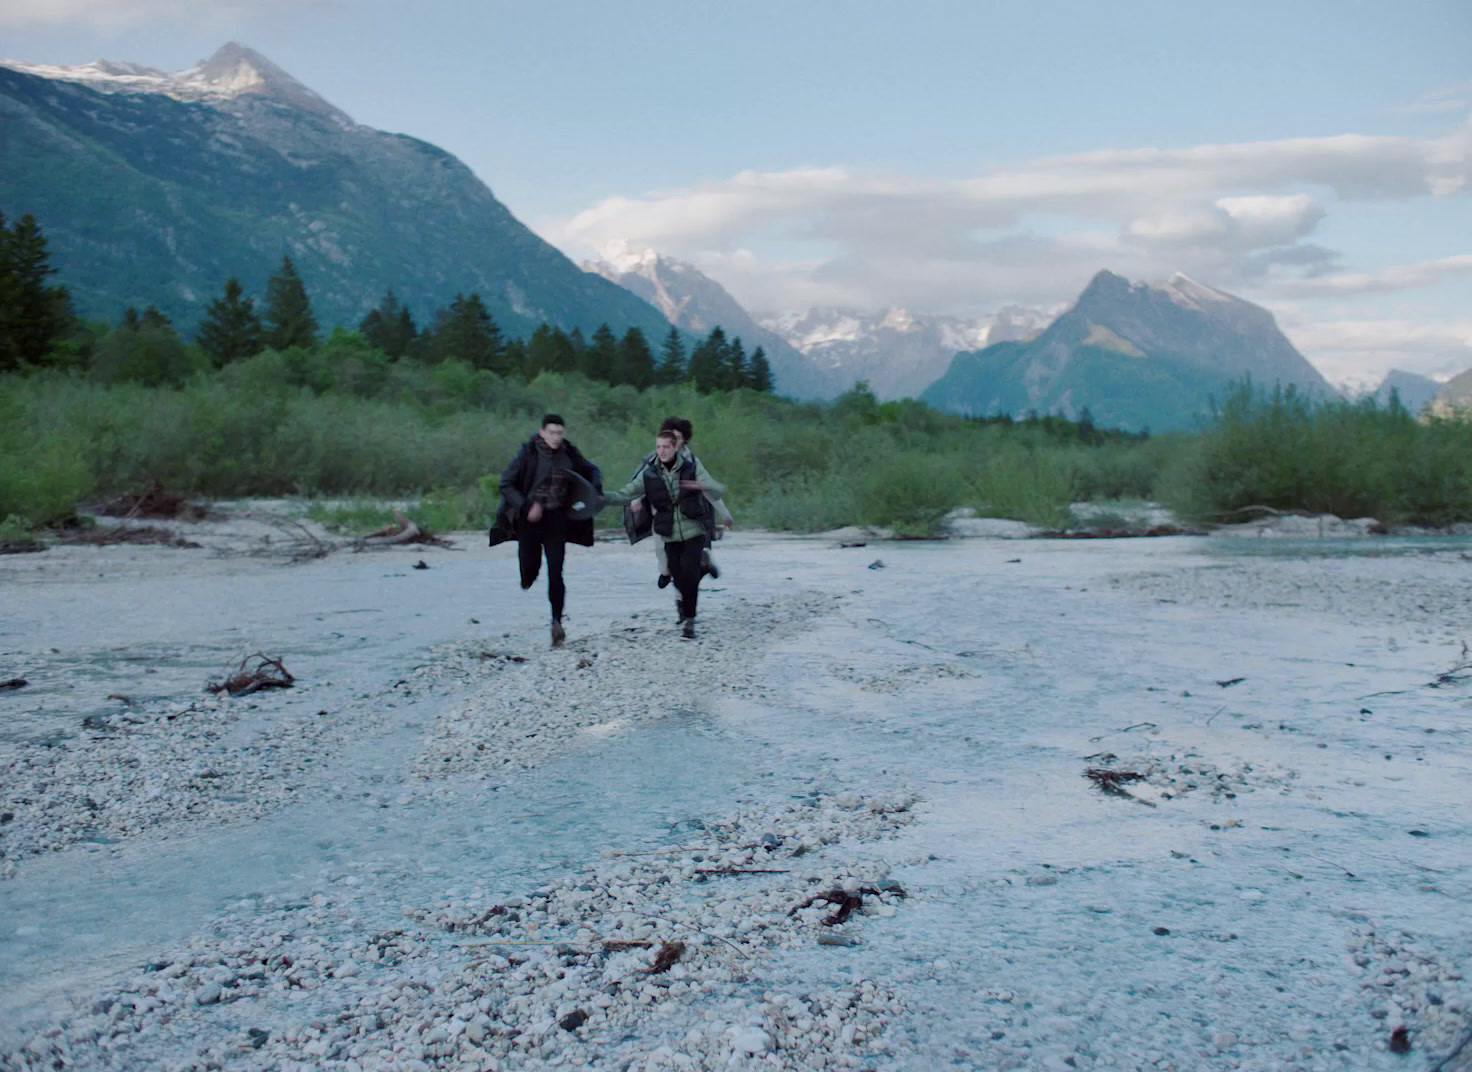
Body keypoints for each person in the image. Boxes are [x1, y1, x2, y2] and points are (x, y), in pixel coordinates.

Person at [488, 414, 603, 647]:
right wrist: (526, 506)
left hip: (556, 519)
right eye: (551, 433)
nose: (556, 437)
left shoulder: (569, 452)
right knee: (529, 568)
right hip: (528, 520)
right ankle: (528, 577)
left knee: (556, 571)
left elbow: (592, 470)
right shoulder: (528, 454)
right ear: (542, 432)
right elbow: (506, 484)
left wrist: (596, 489)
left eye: (560, 433)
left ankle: (556, 622)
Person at [607, 430, 726, 639]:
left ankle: (689, 620)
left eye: (666, 447)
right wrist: (604, 498)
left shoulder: (692, 467)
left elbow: (718, 489)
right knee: (678, 577)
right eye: (658, 447)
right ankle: (702, 572)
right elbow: (628, 491)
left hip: (693, 531)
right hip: (668, 533)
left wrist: (701, 485)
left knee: (689, 574)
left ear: (675, 448)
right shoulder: (650, 473)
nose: (661, 451)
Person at [627, 417, 734, 588]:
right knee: (661, 546)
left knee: (690, 550)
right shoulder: (655, 460)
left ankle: (701, 562)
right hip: (662, 511)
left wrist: (725, 514)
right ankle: (666, 572)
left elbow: (708, 487)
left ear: (684, 439)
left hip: (689, 511)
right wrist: (635, 501)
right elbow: (640, 483)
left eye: (679, 438)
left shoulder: (692, 462)